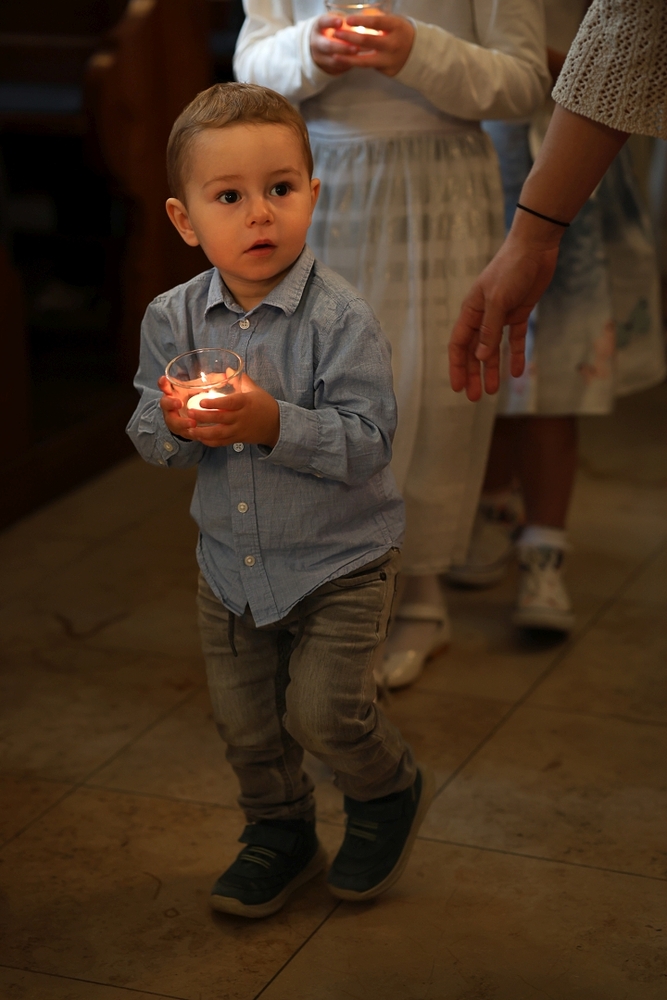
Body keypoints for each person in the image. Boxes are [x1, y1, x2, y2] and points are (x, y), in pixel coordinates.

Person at [126, 82, 434, 919]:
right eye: (229, 197)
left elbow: (367, 441)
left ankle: (386, 789)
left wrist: (271, 423)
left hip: (341, 562)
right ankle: (279, 831)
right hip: (231, 567)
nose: (259, 213)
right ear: (186, 220)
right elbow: (148, 430)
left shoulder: (340, 320)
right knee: (249, 727)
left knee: (324, 714)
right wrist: (178, 424)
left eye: (280, 188)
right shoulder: (172, 319)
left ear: (312, 194)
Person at [234, 0, 550, 688]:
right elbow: (251, 62)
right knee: (321, 382)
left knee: (424, 385)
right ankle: (331, 590)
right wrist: (308, 51)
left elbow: (524, 81)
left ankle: (422, 597)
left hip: (438, 181)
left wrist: (418, 52)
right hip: (320, 176)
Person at [447, 0, 666, 633]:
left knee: (553, 373)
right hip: (481, 162)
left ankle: (544, 546)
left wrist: (542, 64)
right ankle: (493, 508)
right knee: (486, 348)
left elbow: (630, 40)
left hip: (573, 158)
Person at [449, 0, 667, 401]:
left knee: (555, 376)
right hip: (505, 156)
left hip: (559, 140)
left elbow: (631, 30)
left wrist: (531, 237)